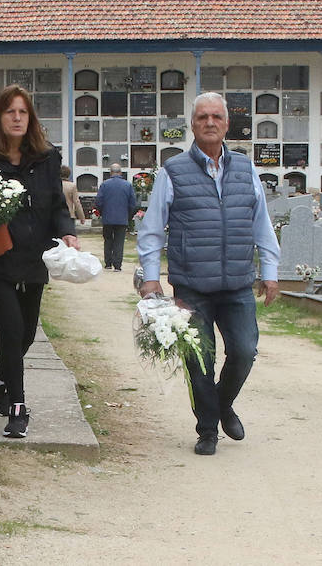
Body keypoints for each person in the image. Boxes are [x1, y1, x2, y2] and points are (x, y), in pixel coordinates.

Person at [137, 92, 279, 457]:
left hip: (236, 284)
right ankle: (207, 431)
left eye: (217, 116)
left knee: (245, 351)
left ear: (227, 124)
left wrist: (271, 270)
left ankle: (221, 403)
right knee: (199, 359)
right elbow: (153, 228)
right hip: (192, 283)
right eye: (203, 117)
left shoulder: (246, 170)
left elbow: (261, 222)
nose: (210, 123)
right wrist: (151, 277)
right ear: (193, 124)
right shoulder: (173, 172)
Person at [0, 85, 77, 440]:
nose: (17, 118)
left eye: (23, 112)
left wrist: (66, 231)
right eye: (10, 112)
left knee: (26, 332)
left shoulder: (47, 157)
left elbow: (56, 203)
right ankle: (18, 408)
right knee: (9, 327)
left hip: (33, 256)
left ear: (31, 117)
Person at [94, 163, 137, 272]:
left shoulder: (104, 185)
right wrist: (128, 215)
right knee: (119, 241)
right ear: (120, 173)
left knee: (108, 240)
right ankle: (117, 265)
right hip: (122, 218)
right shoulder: (127, 185)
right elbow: (133, 203)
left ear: (110, 172)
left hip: (108, 218)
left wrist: (103, 212)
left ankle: (108, 263)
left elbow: (99, 201)